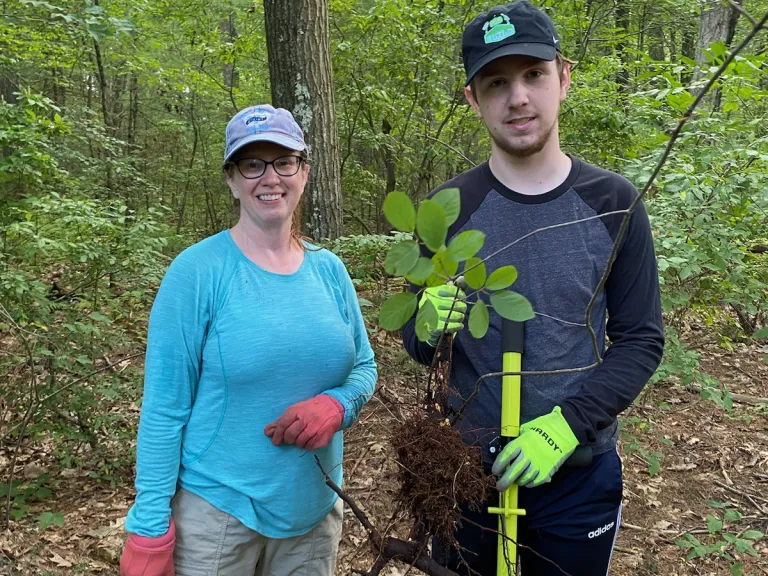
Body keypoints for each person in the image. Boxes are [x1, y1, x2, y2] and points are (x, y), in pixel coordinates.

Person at [401, 2, 664, 575]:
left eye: (533, 75)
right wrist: (424, 323)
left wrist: (567, 426)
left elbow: (641, 341)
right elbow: (419, 345)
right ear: (473, 98)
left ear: (563, 78)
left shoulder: (614, 203)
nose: (517, 97)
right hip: (464, 474)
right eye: (496, 82)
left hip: (577, 475)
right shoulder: (448, 210)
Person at [120, 104, 377, 576]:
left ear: (303, 171)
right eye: (252, 164)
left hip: (313, 513)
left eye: (283, 161)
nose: (270, 177)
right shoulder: (198, 273)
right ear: (232, 179)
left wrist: (338, 405)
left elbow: (365, 366)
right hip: (216, 515)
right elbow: (164, 407)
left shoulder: (329, 270)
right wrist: (149, 525)